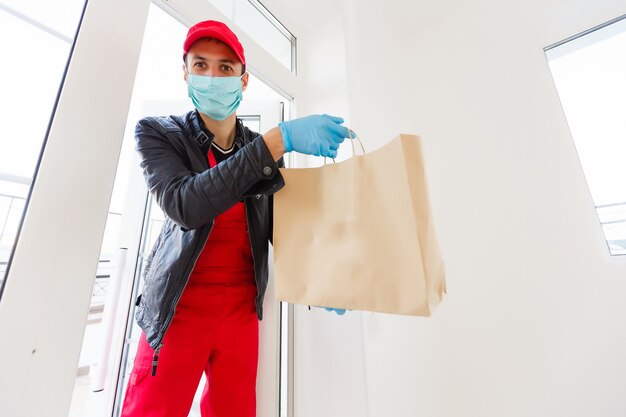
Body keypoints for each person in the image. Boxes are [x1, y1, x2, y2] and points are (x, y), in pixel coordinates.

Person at [120, 20, 352, 417]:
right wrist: (279, 140)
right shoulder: (159, 135)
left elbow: (282, 225)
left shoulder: (255, 151)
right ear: (185, 72)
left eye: (226, 68)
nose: (212, 77)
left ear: (243, 81)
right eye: (201, 65)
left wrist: (321, 277)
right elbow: (185, 205)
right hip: (178, 311)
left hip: (241, 315)